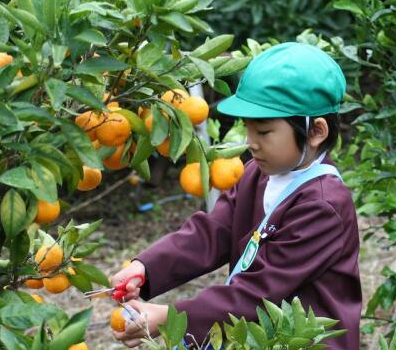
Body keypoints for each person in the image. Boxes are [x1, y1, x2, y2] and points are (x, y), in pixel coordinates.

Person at [110, 42, 361, 349]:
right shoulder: (257, 172)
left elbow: (258, 294)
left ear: (316, 131)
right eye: (247, 129)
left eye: (264, 132)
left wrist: (167, 317)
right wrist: (147, 268)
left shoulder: (322, 206)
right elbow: (211, 232)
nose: (250, 142)